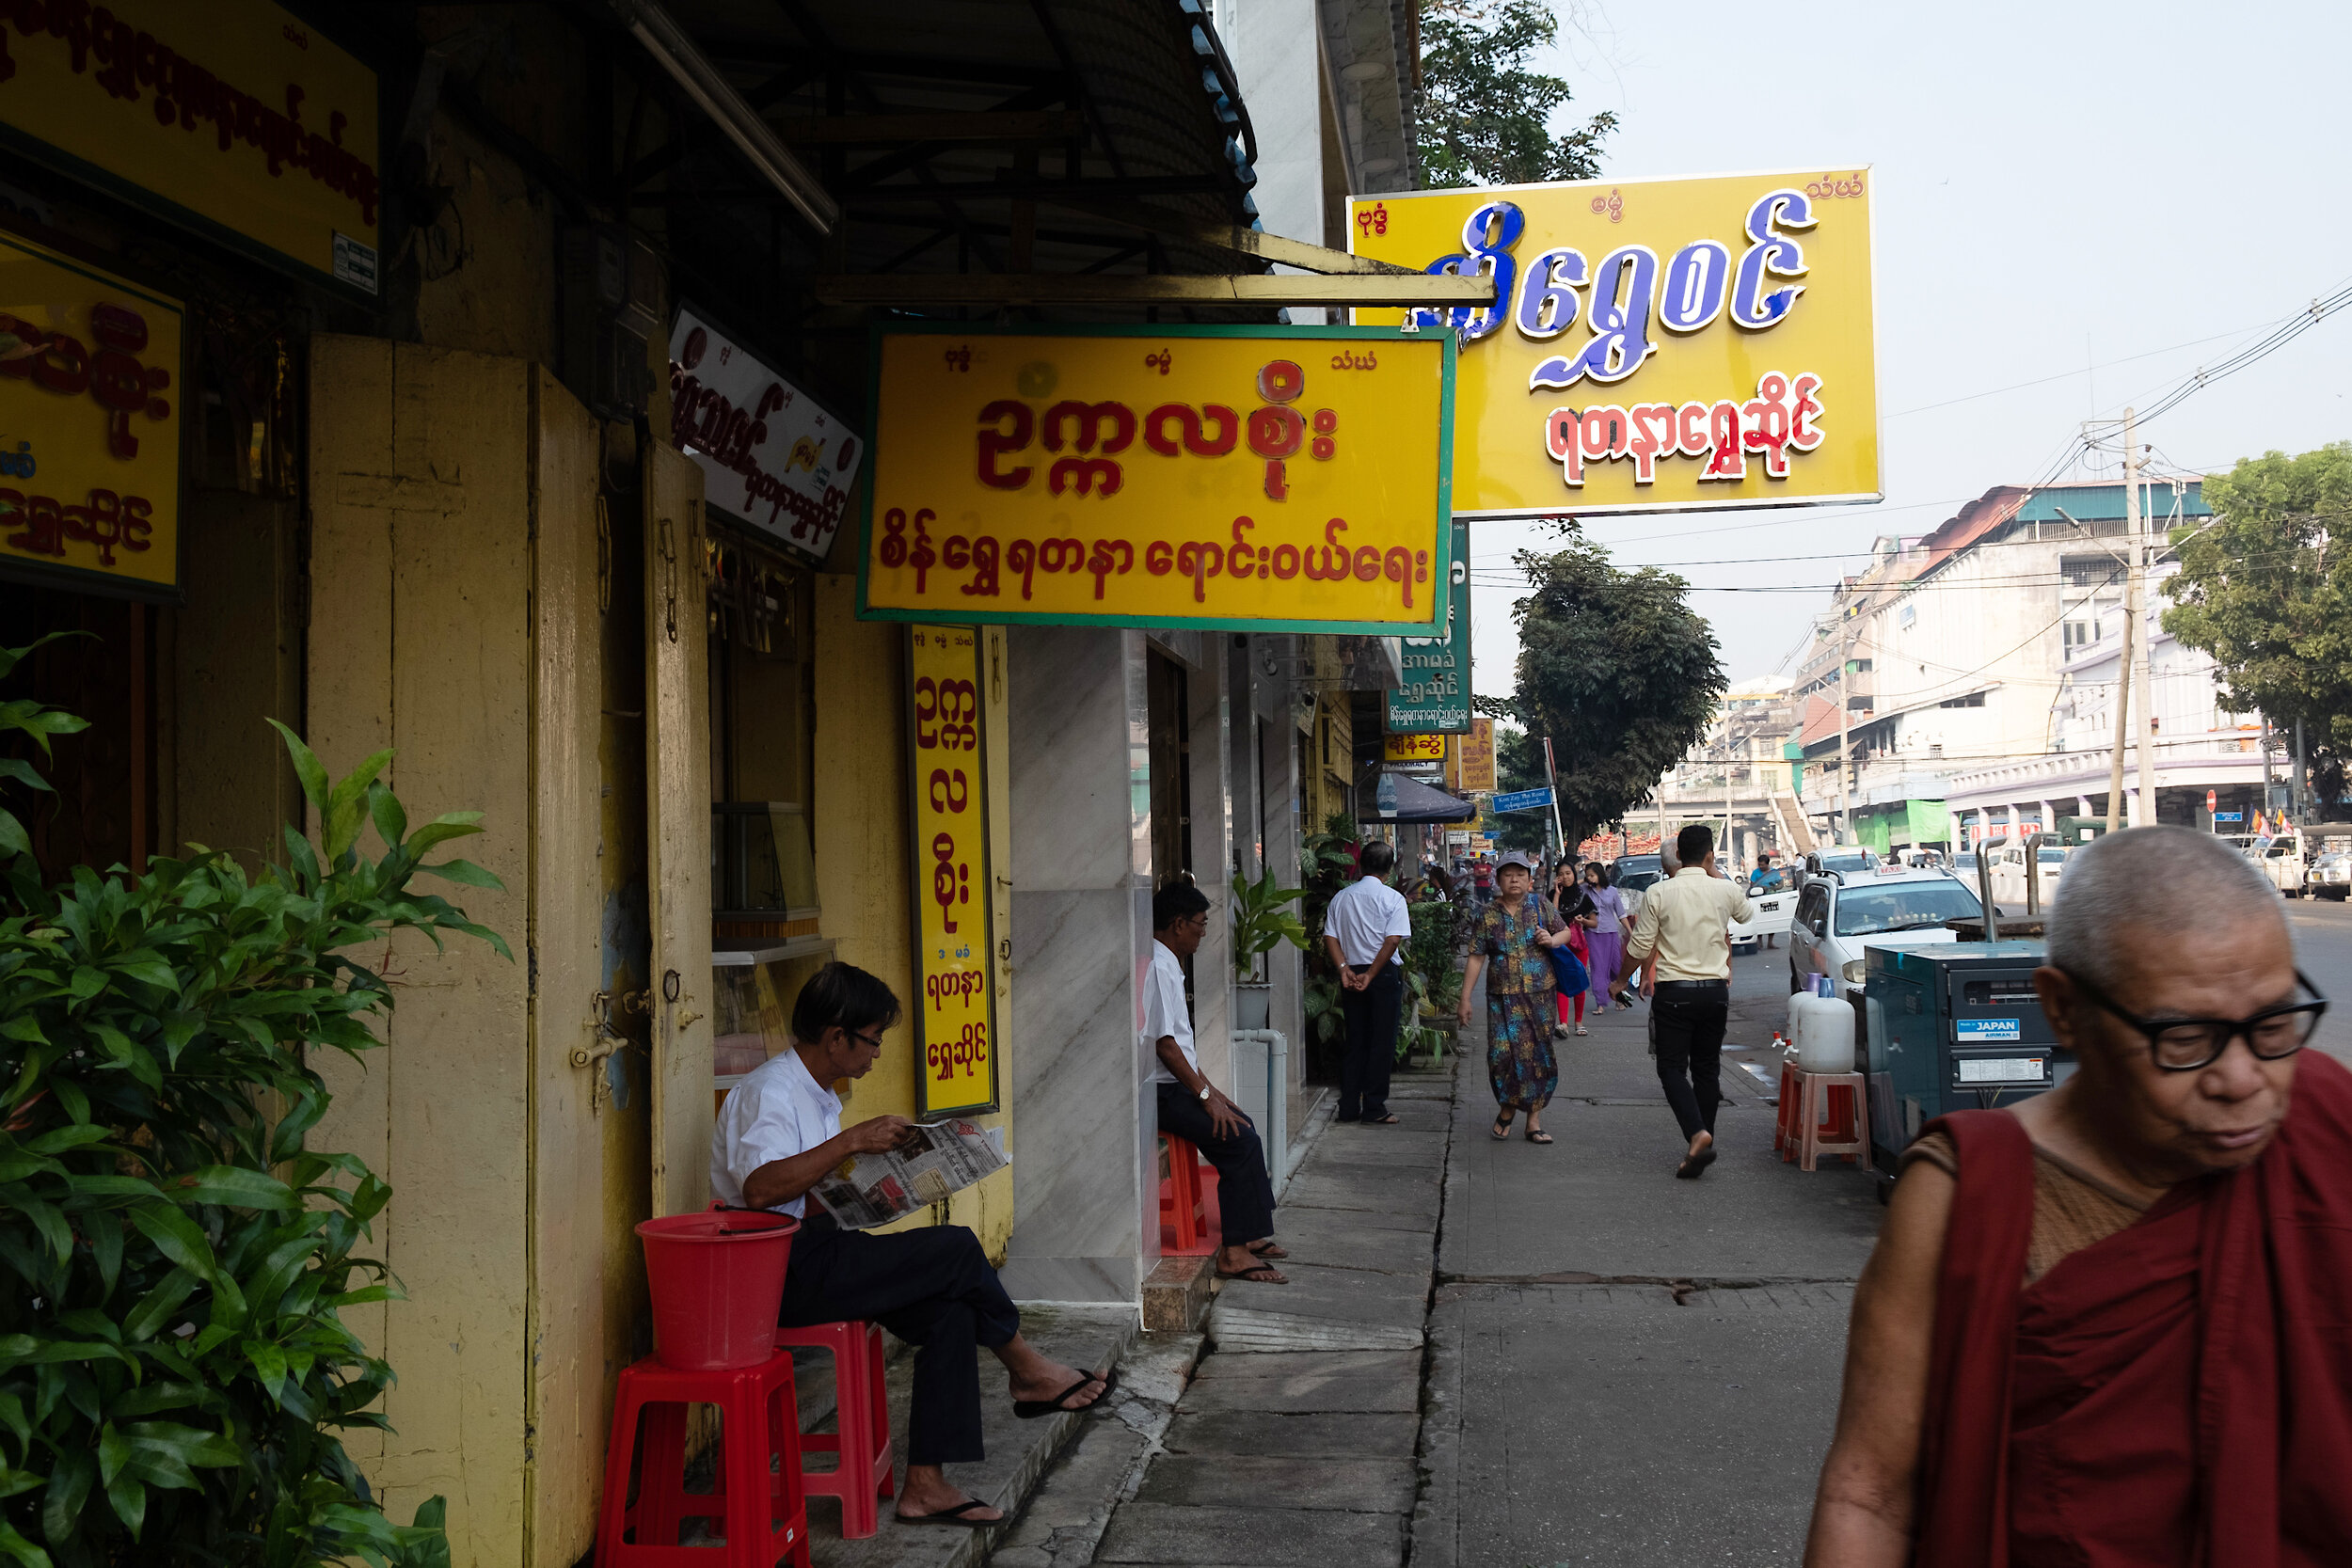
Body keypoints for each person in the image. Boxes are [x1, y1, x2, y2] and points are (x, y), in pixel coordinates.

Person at [1804, 826, 2352, 1566]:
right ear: (2063, 1010)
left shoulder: (2326, 1124)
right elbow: (1868, 1496)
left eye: (2272, 1024)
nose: (2242, 1079)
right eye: (2186, 1039)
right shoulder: (1973, 1195)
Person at [711, 961, 1110, 1527]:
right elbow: (760, 1189)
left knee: (946, 1312)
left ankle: (925, 1485)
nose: (876, 1054)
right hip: (776, 1271)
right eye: (872, 1041)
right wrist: (852, 1139)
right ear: (836, 1037)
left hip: (816, 1249)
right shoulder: (771, 1092)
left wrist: (881, 1183)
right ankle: (1025, 1368)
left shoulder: (818, 1093)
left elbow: (811, 1189)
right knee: (954, 1248)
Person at [1147, 881, 1288, 1285]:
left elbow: (1183, 1050)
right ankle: (1234, 1252)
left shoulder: (1169, 962)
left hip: (1176, 1084)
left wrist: (1216, 1093)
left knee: (1242, 1123)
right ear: (1177, 924)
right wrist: (1206, 1098)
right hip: (1162, 1091)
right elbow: (1166, 1046)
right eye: (1199, 924)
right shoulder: (1158, 966)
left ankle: (1252, 1234)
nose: (1203, 932)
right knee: (1238, 1140)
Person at [1616, 824, 1751, 1179]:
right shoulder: (1724, 889)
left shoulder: (1659, 892)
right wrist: (1715, 872)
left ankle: (1697, 1135)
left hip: (1674, 993)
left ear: (1677, 856)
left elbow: (1640, 947)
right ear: (1709, 855)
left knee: (1672, 1068)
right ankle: (1700, 1144)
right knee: (1707, 1069)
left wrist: (1618, 981)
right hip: (1715, 993)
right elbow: (1746, 915)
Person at [1459, 849, 1572, 1145]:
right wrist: (1465, 998)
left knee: (1537, 1055)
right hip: (1501, 999)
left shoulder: (1540, 905)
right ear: (1497, 879)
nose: (1514, 880)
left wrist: (1552, 939)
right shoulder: (1486, 914)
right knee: (1501, 1057)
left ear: (1530, 879)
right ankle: (1508, 1106)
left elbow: (1566, 934)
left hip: (1539, 995)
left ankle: (1533, 1122)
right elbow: (1475, 957)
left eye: (1520, 875)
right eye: (1508, 874)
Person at [1322, 840, 1413, 1125]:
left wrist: (1344, 969)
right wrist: (1372, 975)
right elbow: (1393, 940)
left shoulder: (1341, 897)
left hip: (1351, 974)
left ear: (1360, 865)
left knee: (1356, 1041)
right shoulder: (1393, 899)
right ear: (1390, 870)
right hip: (1382, 974)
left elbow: (1330, 937)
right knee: (1381, 1042)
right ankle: (1374, 1106)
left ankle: (1349, 1106)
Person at [1549, 861, 1595, 1037]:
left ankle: (1579, 1023)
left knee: (1579, 983)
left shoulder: (1583, 896)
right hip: (1561, 946)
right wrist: (1557, 895)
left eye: (1568, 873)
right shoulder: (1552, 895)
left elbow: (1594, 922)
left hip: (1579, 947)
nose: (1565, 877)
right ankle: (1563, 1023)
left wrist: (1583, 921)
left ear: (1574, 875)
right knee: (1561, 983)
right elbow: (1551, 918)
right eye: (1561, 874)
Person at [1581, 862, 1629, 1020]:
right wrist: (1584, 880)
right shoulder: (1585, 891)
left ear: (1600, 875)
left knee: (1616, 966)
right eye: (1587, 875)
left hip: (1610, 932)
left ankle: (1620, 998)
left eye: (1592, 875)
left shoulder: (1612, 891)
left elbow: (1621, 914)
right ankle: (1600, 1003)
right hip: (1593, 933)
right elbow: (1572, 886)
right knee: (1598, 967)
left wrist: (1630, 932)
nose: (1590, 878)